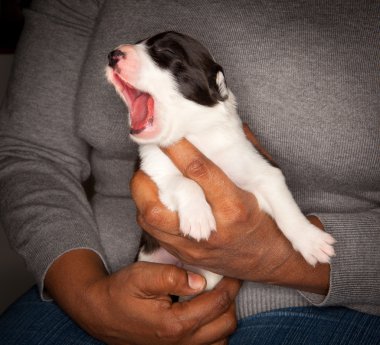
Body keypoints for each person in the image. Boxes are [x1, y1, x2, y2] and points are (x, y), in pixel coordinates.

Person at [0, 0, 379, 344]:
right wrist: (90, 296)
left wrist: (292, 245)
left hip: (319, 301)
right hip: (119, 276)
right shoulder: (156, 142)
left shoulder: (224, 130)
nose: (128, 54)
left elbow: (266, 180)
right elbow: (32, 155)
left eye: (164, 55)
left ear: (217, 86)